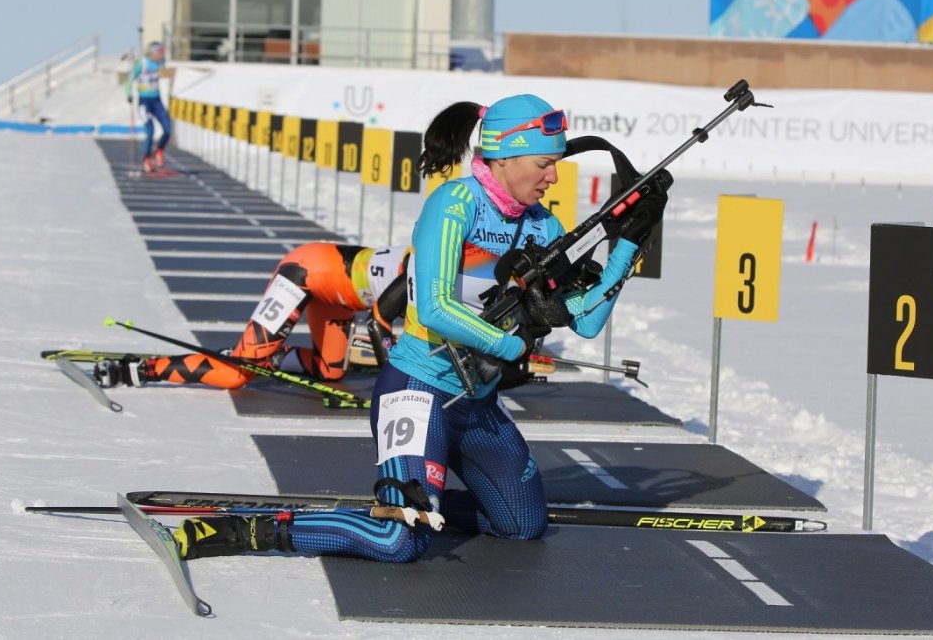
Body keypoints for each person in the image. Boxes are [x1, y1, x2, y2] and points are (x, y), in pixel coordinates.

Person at [172, 93, 668, 563]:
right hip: (417, 387)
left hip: (475, 402)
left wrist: (628, 244)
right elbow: (432, 308)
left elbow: (586, 320)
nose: (553, 178)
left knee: (522, 524)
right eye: (544, 164)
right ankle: (261, 528)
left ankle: (415, 498)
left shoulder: (545, 228)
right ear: (506, 157)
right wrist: (509, 342)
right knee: (397, 543)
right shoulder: (455, 204)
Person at [93, 243, 410, 389]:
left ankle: (268, 356)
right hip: (305, 270)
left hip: (337, 299)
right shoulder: (423, 266)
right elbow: (378, 322)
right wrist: (394, 390)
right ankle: (144, 369)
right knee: (237, 375)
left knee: (331, 374)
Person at [126, 41, 172, 174]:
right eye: (159, 52)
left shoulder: (160, 63)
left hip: (157, 100)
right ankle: (146, 158)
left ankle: (159, 151)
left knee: (167, 129)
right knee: (150, 130)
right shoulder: (143, 63)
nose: (161, 55)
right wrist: (129, 94)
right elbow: (130, 78)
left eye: (162, 52)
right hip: (144, 101)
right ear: (152, 52)